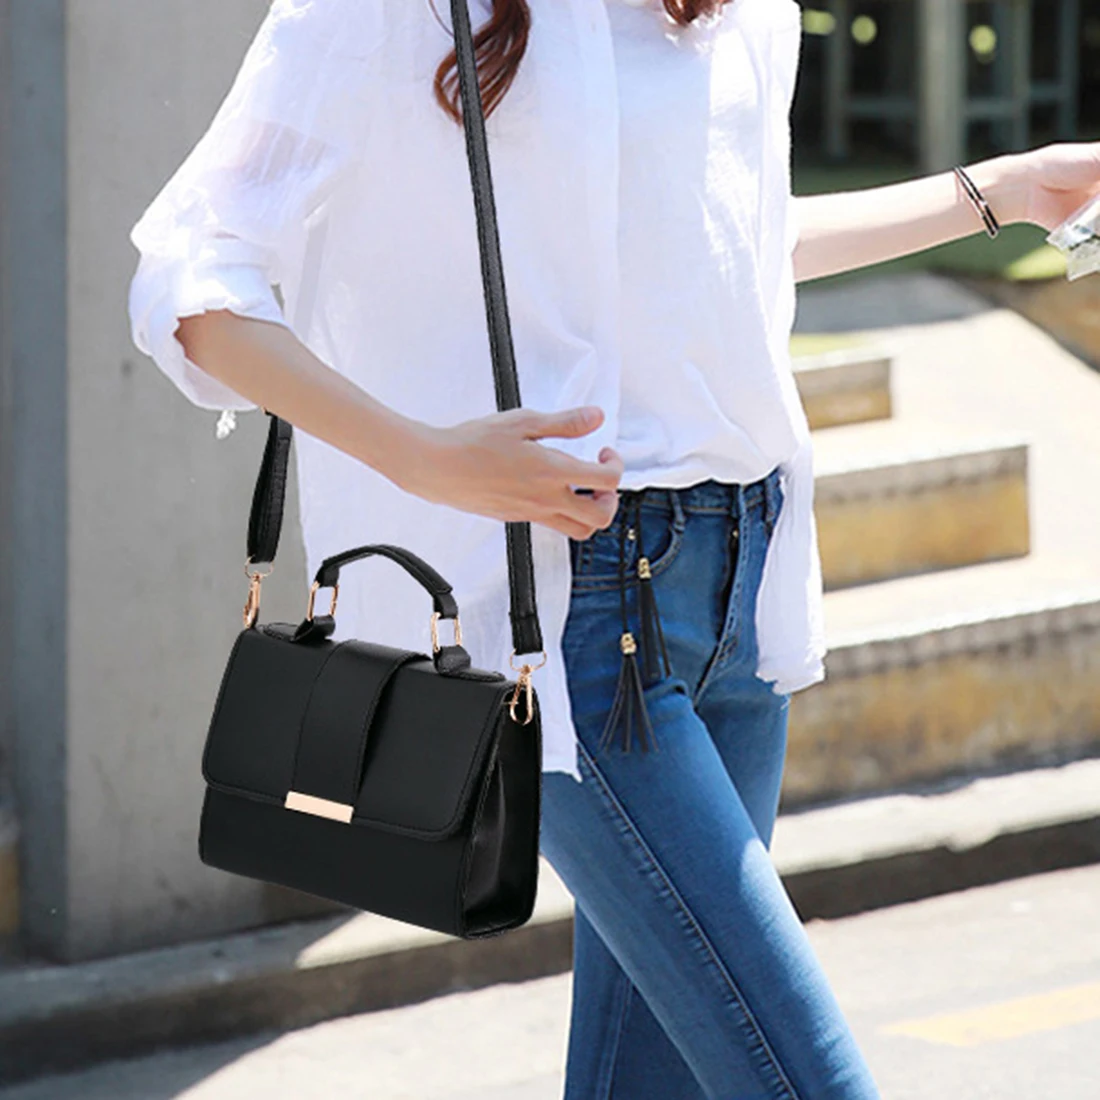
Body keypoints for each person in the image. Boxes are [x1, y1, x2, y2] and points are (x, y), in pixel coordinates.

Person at [127, 1, 1100, 1095]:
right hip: (581, 613)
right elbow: (190, 277)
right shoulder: (403, 11)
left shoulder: (733, 13)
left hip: (741, 583)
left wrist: (1003, 190)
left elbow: (731, 238)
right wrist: (423, 457)